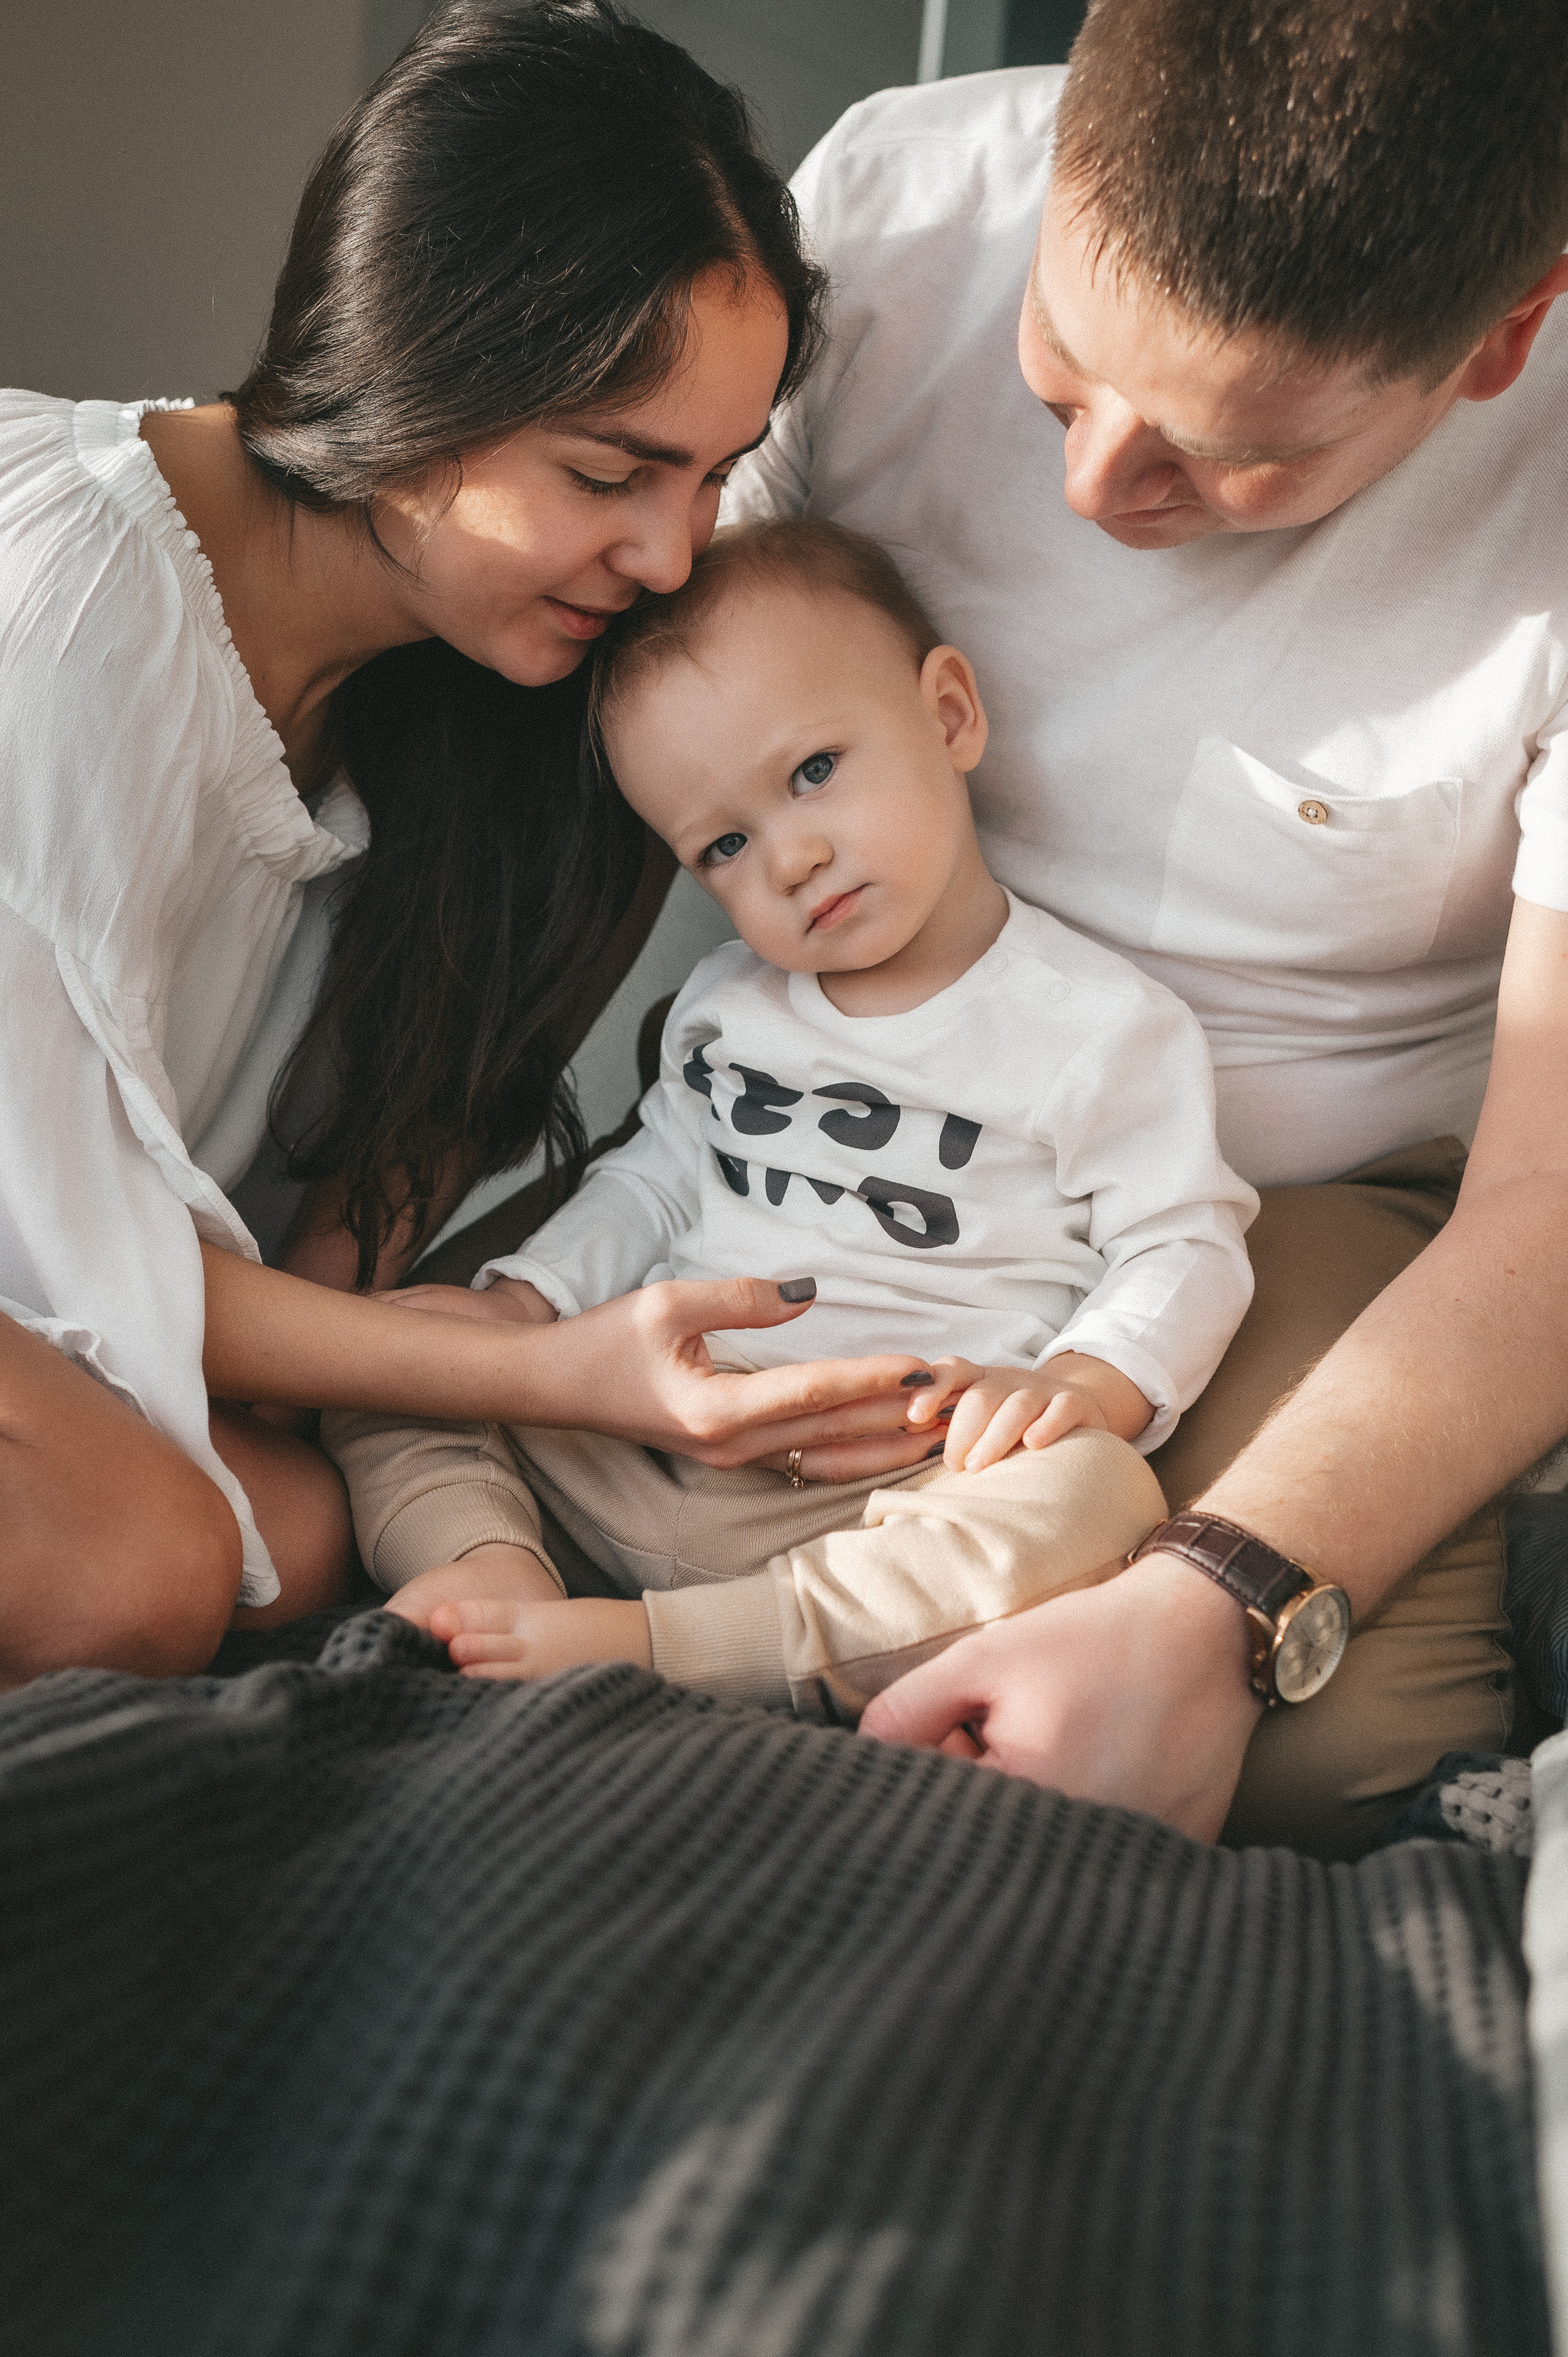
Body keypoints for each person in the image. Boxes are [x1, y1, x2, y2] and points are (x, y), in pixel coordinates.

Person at [703, 0, 1568, 1856]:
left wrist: (1227, 1601)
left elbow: (1552, 1195)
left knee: (1296, 1762)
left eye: (1230, 453)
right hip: (861, 1054)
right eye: (1061, 371)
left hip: (1299, 1185)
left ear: (1501, 342)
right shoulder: (897, 205)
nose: (1099, 488)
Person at [0, 0, 941, 1687]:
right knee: (140, 1563)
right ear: (425, 370)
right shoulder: (68, 613)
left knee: (300, 1530)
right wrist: (560, 1366)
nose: (672, 555)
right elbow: (85, 1258)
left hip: (84, 1344)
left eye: (716, 478)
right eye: (611, 474)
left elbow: (311, 1296)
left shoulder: (498, 707)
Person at [322, 518, 1256, 1716]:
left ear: (949, 715)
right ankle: (492, 1579)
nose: (794, 855)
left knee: (1100, 1497)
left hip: (886, 1494)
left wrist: (1087, 1379)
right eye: (723, 843)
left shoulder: (1098, 1025)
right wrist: (527, 1304)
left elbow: (1182, 1240)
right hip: (647, 1440)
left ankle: (679, 1643)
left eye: (814, 771)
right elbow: (655, 1180)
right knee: (394, 1357)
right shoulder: (727, 1007)